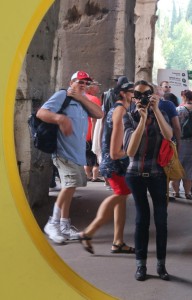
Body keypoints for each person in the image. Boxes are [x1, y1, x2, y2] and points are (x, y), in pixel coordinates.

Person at [37, 70, 103, 243]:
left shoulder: (83, 100)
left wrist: (82, 98)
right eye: (79, 82)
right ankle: (52, 224)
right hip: (62, 151)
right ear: (71, 82)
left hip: (77, 154)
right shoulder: (62, 95)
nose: (82, 85)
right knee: (69, 185)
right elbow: (41, 113)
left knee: (71, 187)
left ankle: (64, 226)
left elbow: (99, 114)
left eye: (85, 83)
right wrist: (60, 118)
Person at [77, 81, 135, 254]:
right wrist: (133, 150)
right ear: (123, 93)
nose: (136, 96)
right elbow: (116, 152)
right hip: (115, 165)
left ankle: (118, 242)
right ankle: (88, 232)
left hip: (115, 165)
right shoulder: (119, 111)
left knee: (121, 201)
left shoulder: (118, 109)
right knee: (120, 196)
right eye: (133, 92)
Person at [123, 80, 173, 281]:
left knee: (161, 220)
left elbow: (169, 136)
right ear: (133, 96)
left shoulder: (161, 114)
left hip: (158, 174)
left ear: (153, 95)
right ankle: (140, 266)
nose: (141, 97)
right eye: (138, 94)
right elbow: (130, 150)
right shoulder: (129, 117)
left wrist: (156, 110)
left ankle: (161, 265)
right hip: (135, 174)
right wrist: (142, 120)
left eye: (146, 94)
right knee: (141, 219)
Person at [84, 81, 103, 182]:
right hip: (92, 132)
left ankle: (87, 175)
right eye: (97, 85)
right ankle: (95, 176)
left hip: (82, 133)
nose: (98, 88)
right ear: (90, 88)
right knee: (95, 156)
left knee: (86, 157)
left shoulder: (82, 98)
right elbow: (96, 118)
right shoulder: (94, 99)